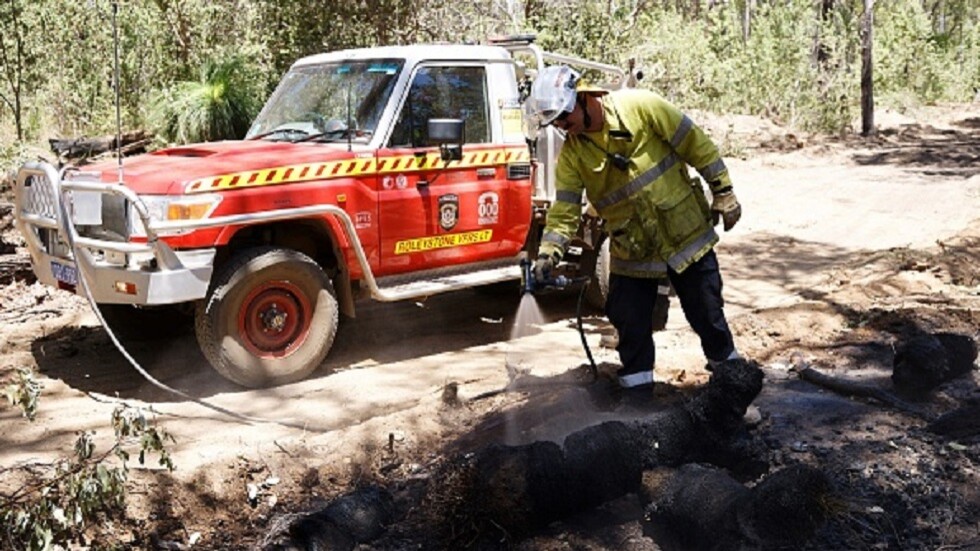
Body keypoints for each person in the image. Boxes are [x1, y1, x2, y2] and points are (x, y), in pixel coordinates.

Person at [523, 65, 742, 391]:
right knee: (630, 322)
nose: (561, 127)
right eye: (555, 122)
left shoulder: (641, 106)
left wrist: (723, 190)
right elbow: (565, 212)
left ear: (582, 99)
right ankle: (637, 403)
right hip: (632, 249)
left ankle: (734, 386)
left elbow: (696, 143)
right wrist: (548, 255)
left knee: (707, 313)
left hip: (684, 234)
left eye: (564, 118)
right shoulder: (572, 156)